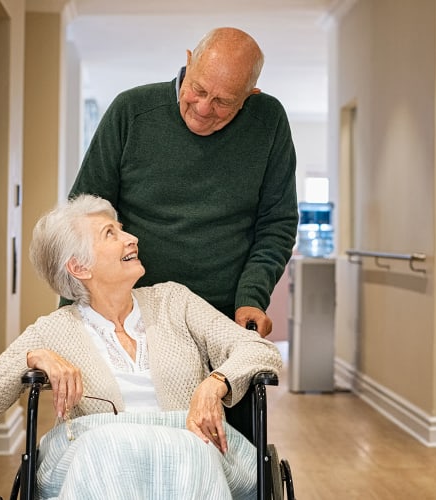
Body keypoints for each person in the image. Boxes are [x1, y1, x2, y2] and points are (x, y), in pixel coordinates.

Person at [0, 194, 283, 499]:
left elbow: (260, 351)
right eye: (111, 233)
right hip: (96, 454)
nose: (132, 238)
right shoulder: (56, 329)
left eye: (122, 230)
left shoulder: (173, 301)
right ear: (79, 267)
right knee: (107, 446)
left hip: (191, 451)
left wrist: (215, 383)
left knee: (192, 448)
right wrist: (32, 357)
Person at [67, 27, 298, 338]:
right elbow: (83, 218)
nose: (203, 109)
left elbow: (277, 224)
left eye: (223, 102)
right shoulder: (131, 112)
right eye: (198, 89)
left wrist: (251, 298)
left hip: (221, 316)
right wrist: (70, 315)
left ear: (250, 95)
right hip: (129, 314)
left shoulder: (268, 122)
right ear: (189, 62)